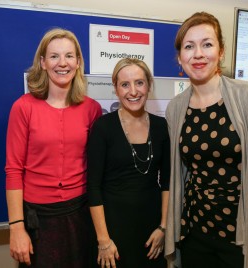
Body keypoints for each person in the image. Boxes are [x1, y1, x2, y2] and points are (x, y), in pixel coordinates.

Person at [164, 12, 248, 268]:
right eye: (189, 47)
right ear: (180, 58)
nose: (198, 54)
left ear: (221, 52)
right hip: (195, 230)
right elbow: (181, 171)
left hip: (243, 234)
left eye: (207, 44)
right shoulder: (176, 108)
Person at [5, 28, 102, 268]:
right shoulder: (23, 107)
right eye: (54, 56)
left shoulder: (92, 109)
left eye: (69, 56)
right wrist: (16, 227)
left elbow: (97, 169)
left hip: (81, 214)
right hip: (39, 220)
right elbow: (14, 170)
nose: (62, 63)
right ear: (43, 62)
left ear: (78, 63)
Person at [87, 58, 170, 268]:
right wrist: (103, 240)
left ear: (149, 85)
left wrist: (163, 227)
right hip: (113, 233)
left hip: (152, 233)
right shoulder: (103, 127)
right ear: (116, 89)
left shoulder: (162, 126)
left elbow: (168, 183)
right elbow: (93, 187)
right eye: (125, 84)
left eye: (139, 83)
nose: (133, 91)